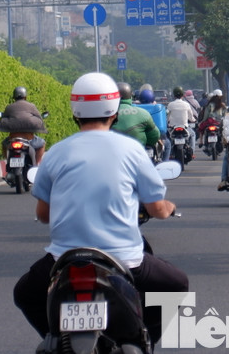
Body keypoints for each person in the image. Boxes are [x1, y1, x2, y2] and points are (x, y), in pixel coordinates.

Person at [12, 72, 189, 349]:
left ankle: (54, 338)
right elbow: (156, 209)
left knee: (24, 293)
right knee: (177, 284)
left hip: (64, 260)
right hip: (124, 259)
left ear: (75, 112)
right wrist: (168, 208)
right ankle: (146, 340)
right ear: (114, 112)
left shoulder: (57, 153)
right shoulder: (132, 150)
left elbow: (44, 215)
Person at [0, 85, 47, 164]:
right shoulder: (31, 106)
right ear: (25, 97)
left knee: (3, 144)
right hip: (29, 139)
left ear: (14, 97)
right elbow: (39, 117)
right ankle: (35, 164)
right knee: (42, 143)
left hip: (13, 138)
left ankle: (9, 161)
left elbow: (2, 119)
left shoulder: (9, 107)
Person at [110, 81, 160, 151]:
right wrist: (147, 145)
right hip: (138, 152)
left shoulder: (106, 116)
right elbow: (155, 135)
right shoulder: (144, 113)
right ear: (131, 96)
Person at [165, 88, 197, 159]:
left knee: (168, 138)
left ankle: (170, 153)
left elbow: (167, 116)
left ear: (174, 95)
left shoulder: (170, 104)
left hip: (173, 127)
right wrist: (193, 120)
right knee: (193, 134)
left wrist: (167, 123)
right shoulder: (186, 104)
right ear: (182, 95)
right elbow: (191, 116)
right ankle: (192, 152)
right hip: (185, 127)